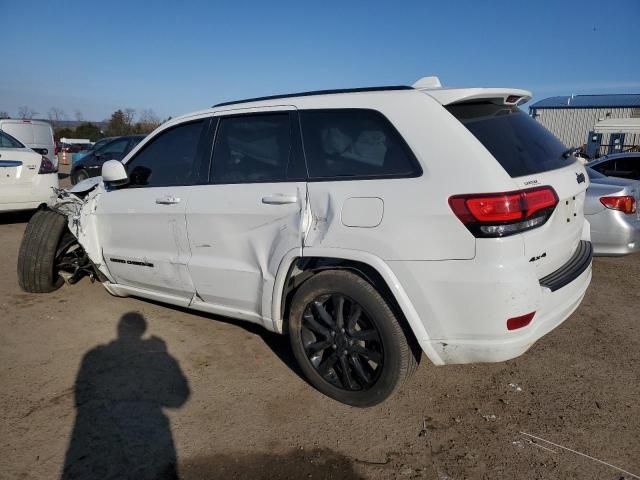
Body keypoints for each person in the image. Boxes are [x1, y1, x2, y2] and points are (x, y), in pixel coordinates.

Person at [62, 312, 190, 479]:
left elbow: (80, 397)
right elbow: (179, 398)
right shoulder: (156, 357)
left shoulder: (93, 356)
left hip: (97, 437)